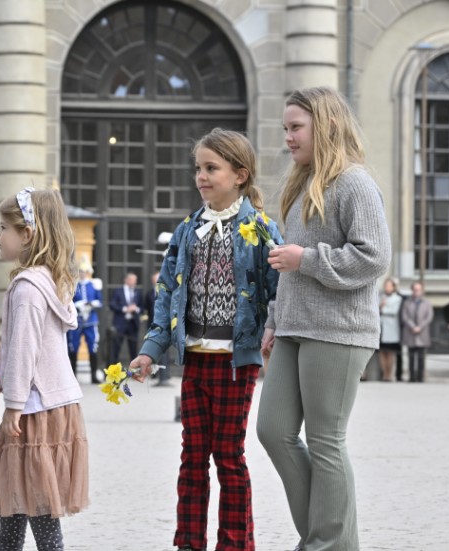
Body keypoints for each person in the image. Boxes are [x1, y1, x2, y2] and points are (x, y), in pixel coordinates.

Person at [130, 128, 282, 551]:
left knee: (228, 456)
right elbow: (165, 297)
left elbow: (279, 291)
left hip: (236, 362)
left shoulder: (262, 230)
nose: (201, 176)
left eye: (211, 168)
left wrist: (272, 334)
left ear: (240, 174)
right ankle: (189, 543)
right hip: (194, 359)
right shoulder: (185, 232)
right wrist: (149, 352)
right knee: (191, 457)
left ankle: (234, 545)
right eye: (198, 168)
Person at [256, 87, 391, 551]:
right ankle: (330, 539)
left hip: (338, 331)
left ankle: (324, 545)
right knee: (272, 430)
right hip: (294, 327)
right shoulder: (300, 183)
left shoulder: (355, 183)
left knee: (325, 440)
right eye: (286, 129)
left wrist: (307, 259)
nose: (288, 138)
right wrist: (274, 320)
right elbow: (285, 267)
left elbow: (374, 258)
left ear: (327, 125)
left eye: (296, 127)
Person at [0, 188, 90, 551]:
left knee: (35, 504)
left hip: (33, 411)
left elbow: (23, 351)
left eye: (4, 227)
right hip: (56, 404)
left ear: (27, 235)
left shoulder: (26, 288)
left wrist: (14, 403)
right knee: (19, 499)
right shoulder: (52, 281)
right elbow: (34, 351)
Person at [67, 262, 102, 383]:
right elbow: (68, 301)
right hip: (77, 320)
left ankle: (93, 375)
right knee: (73, 347)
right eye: (80, 271)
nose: (82, 274)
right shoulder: (73, 286)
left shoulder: (93, 285)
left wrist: (91, 304)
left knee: (93, 347)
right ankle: (73, 377)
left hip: (91, 320)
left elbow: (99, 300)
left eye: (84, 272)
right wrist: (79, 305)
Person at [401, 281, 433, 383]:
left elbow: (429, 317)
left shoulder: (427, 303)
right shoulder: (407, 302)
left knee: (421, 357)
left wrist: (420, 327)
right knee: (411, 356)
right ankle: (412, 377)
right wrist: (413, 326)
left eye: (418, 290)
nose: (416, 292)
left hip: (422, 333)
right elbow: (405, 316)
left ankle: (420, 377)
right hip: (410, 332)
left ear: (422, 290)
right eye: (415, 290)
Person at [109, 272, 142, 365]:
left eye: (135, 281)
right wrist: (125, 309)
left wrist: (136, 309)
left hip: (133, 324)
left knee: (133, 350)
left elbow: (142, 307)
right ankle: (114, 372)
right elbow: (112, 304)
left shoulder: (137, 291)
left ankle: (134, 372)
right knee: (116, 349)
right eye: (132, 280)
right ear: (126, 280)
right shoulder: (118, 291)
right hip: (120, 324)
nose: (134, 282)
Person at [377, 278, 403, 382]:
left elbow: (394, 311)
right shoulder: (381, 297)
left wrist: (382, 308)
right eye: (386, 285)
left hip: (391, 328)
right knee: (382, 352)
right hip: (381, 327)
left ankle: (389, 374)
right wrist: (381, 307)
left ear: (393, 287)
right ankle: (384, 374)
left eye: (389, 285)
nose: (387, 287)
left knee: (390, 352)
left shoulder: (397, 298)